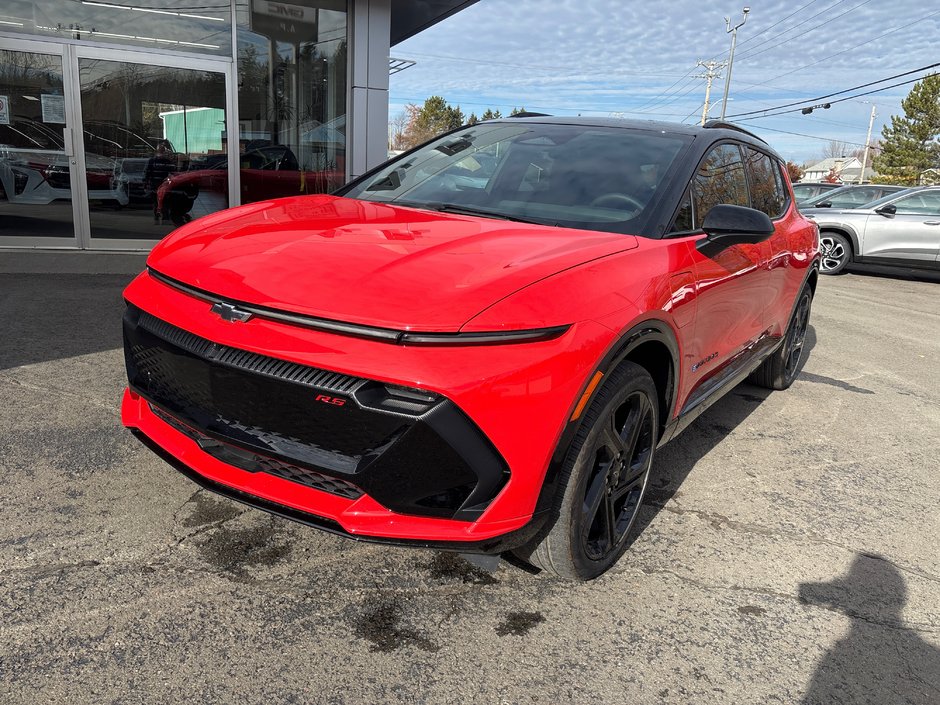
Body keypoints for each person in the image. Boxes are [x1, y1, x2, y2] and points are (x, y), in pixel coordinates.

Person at [144, 141, 176, 223]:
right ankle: (164, 217)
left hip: (155, 185)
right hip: (163, 185)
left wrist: (145, 183)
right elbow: (173, 172)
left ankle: (157, 216)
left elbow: (147, 173)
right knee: (164, 201)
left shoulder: (152, 161)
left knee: (156, 201)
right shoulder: (167, 161)